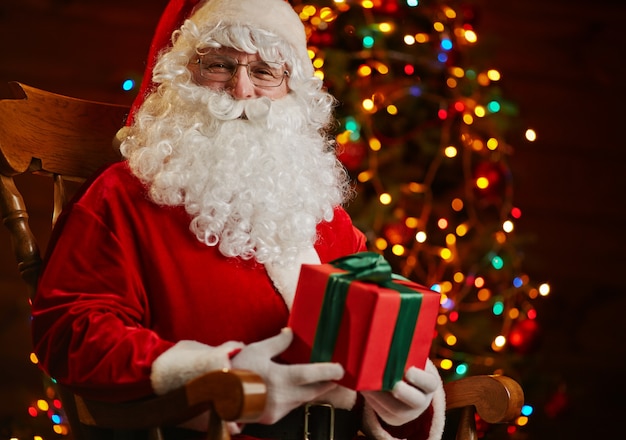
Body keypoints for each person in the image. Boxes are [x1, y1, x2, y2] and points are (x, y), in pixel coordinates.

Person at [31, 0, 445, 439]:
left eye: (265, 72)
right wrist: (220, 375)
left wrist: (400, 405)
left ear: (292, 90)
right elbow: (71, 332)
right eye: (219, 65)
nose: (241, 89)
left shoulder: (325, 215)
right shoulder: (122, 196)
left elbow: (371, 344)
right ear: (183, 75)